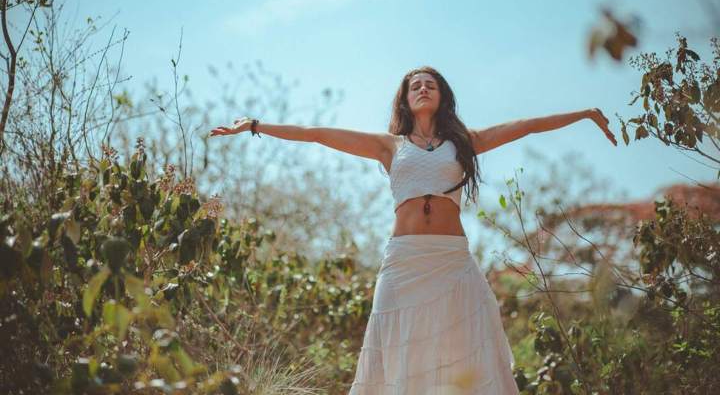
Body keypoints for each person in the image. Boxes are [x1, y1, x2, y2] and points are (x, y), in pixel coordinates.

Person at [209, 66, 617, 394]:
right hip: (404, 261)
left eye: (430, 84)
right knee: (397, 350)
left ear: (442, 95)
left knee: (464, 351)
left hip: (451, 260)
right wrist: (256, 125)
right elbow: (317, 135)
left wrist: (582, 114)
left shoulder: (465, 142)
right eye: (415, 85)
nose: (423, 89)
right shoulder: (389, 145)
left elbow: (526, 125)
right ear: (405, 98)